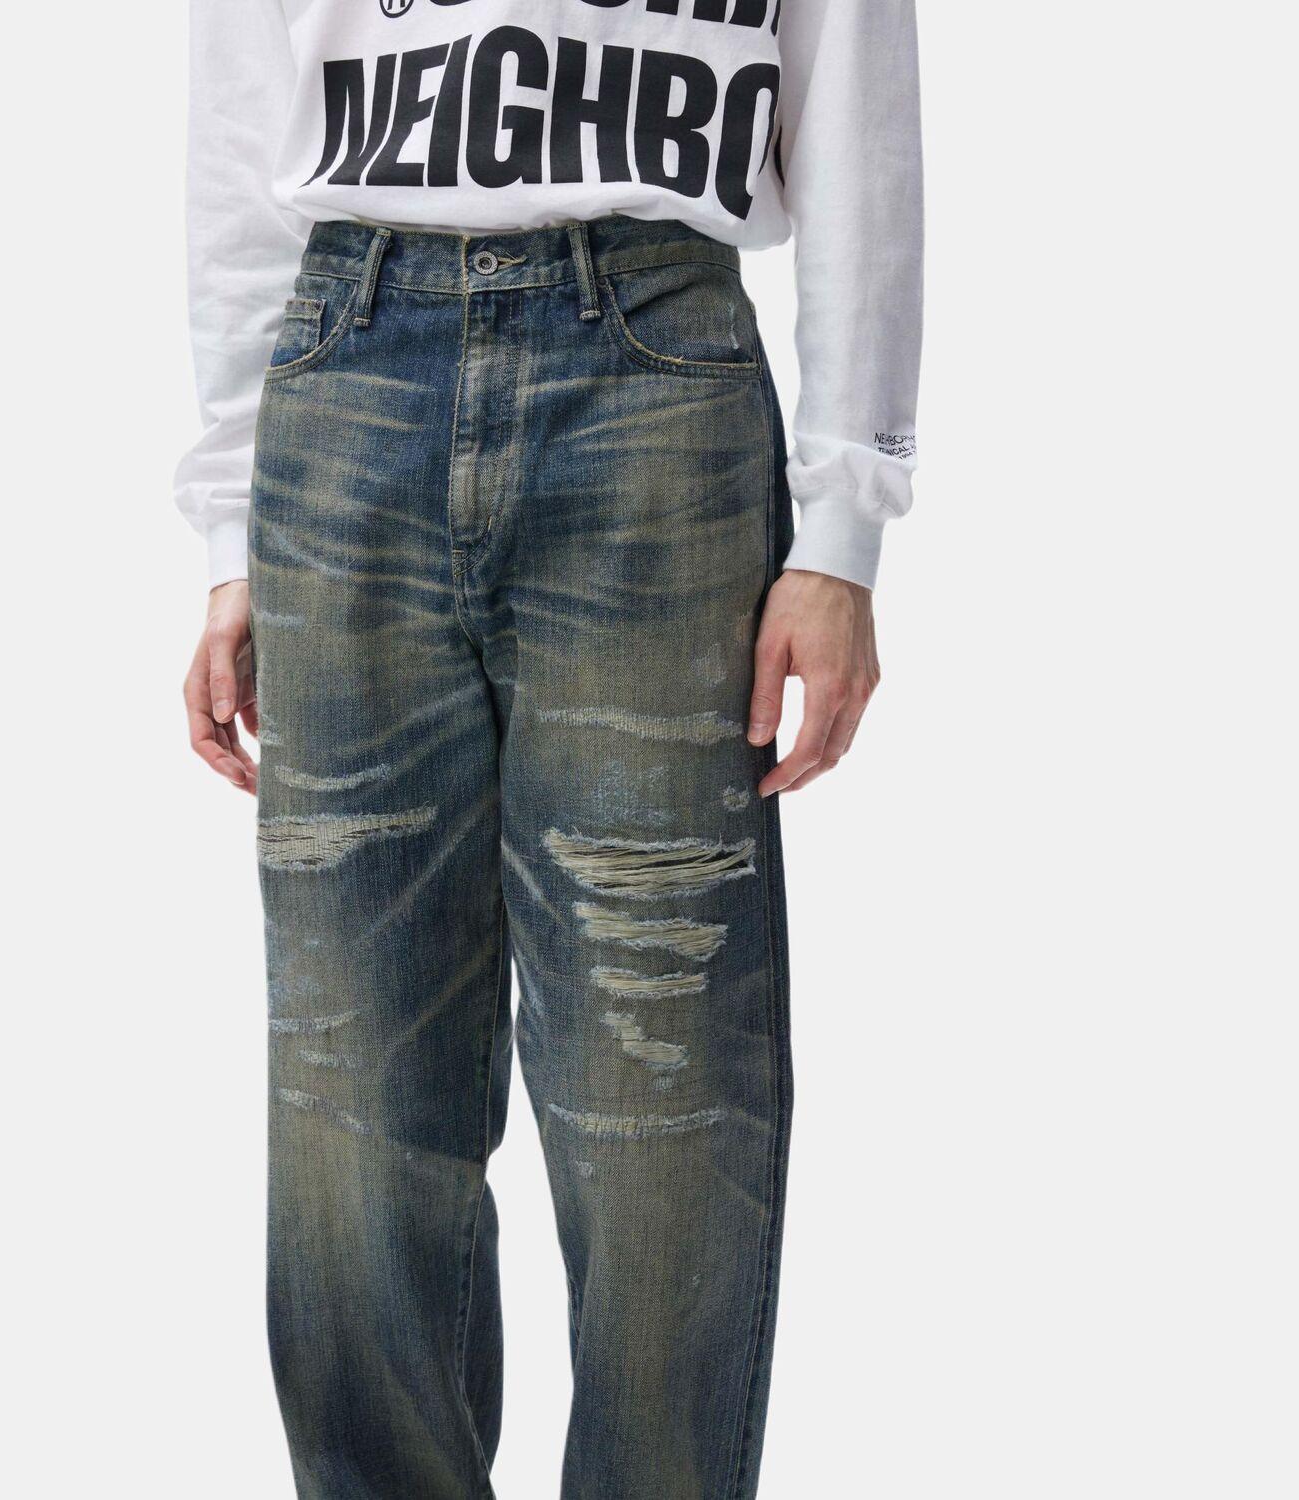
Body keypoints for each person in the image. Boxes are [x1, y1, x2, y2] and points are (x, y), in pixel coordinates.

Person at [175, 2, 921, 1495]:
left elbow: (857, 123)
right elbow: (244, 129)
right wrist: (229, 528)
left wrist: (842, 527)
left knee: (660, 1068)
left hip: (654, 379)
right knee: (351, 1070)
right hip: (348, 368)